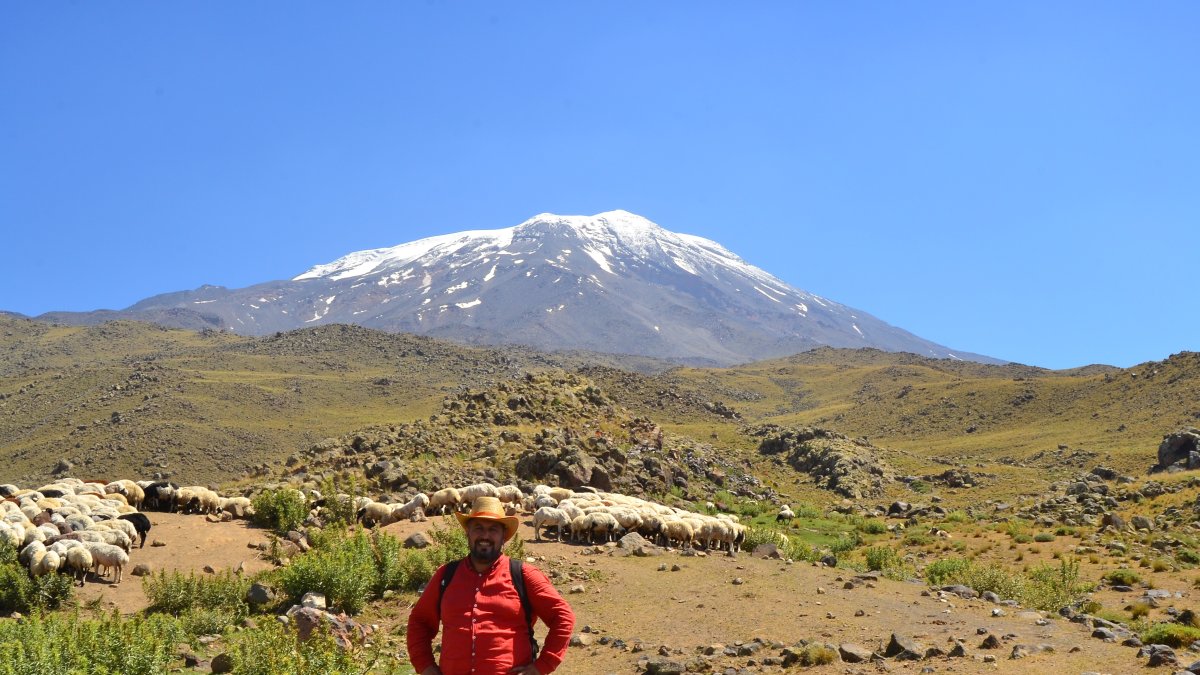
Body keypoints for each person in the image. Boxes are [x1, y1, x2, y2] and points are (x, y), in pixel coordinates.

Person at [406, 496, 575, 675]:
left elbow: (563, 616)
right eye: (478, 528)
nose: (485, 536)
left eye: (493, 529)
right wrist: (425, 666)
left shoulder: (523, 575)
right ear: (468, 533)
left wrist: (542, 666)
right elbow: (419, 621)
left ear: (503, 537)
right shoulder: (446, 575)